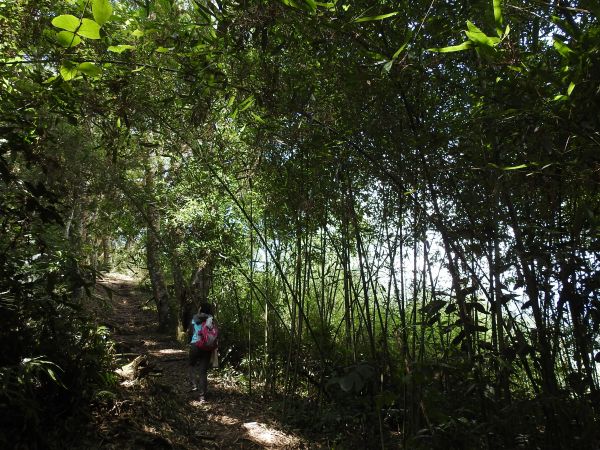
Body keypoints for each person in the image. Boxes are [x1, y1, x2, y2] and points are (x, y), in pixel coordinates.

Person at [188, 302, 216, 402]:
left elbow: (191, 332)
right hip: (207, 347)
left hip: (195, 344)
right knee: (203, 372)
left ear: (200, 309)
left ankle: (193, 384)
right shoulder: (211, 319)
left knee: (191, 365)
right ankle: (202, 396)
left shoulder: (195, 318)